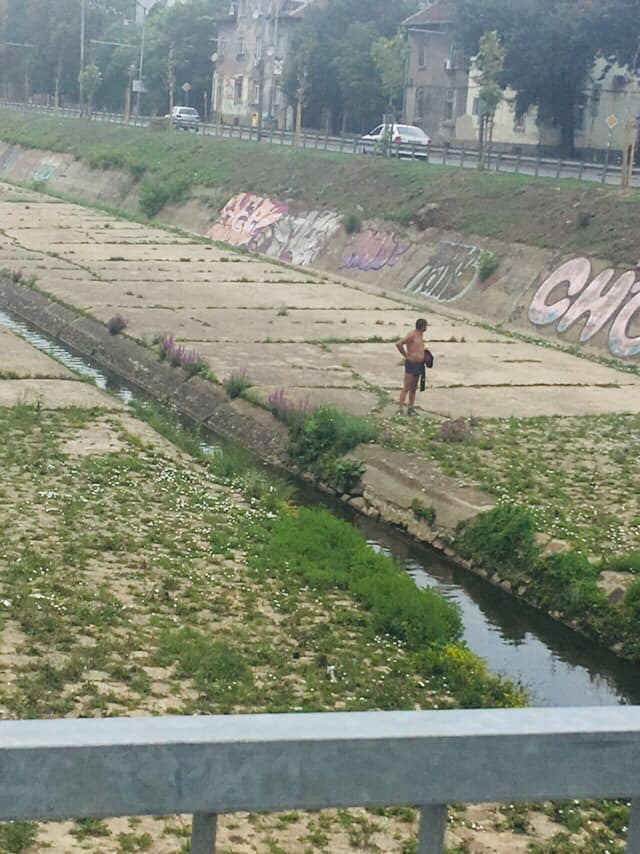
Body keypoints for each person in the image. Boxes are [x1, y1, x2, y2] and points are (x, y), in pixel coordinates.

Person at [395, 318, 428, 415]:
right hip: (411, 363)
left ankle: (410, 407)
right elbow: (399, 344)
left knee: (414, 387)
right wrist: (405, 355)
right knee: (406, 387)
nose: (426, 328)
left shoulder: (421, 335)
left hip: (419, 364)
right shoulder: (412, 335)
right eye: (425, 326)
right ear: (422, 326)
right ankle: (400, 408)